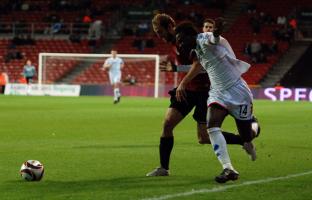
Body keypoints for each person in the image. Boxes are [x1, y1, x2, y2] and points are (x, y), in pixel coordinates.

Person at [146, 14, 259, 182]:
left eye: (159, 31)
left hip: (223, 89)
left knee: (240, 136)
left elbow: (210, 44)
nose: (158, 35)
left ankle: (253, 129)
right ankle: (228, 169)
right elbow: (198, 62)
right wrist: (177, 70)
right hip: (215, 92)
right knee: (208, 127)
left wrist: (217, 32)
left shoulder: (201, 39)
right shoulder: (181, 43)